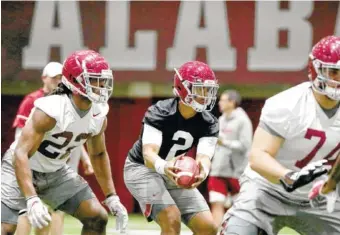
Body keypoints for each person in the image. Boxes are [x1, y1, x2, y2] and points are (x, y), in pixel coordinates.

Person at [220, 35, 340, 235]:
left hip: (316, 197)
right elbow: (258, 156)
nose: (338, 79)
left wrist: (331, 184)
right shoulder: (288, 104)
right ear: (314, 69)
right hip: (268, 189)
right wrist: (289, 177)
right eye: (334, 71)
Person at [1, 50, 128, 235]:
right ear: (75, 81)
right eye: (94, 79)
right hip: (19, 167)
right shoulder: (51, 109)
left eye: (103, 80)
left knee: (97, 217)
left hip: (55, 171)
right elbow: (21, 154)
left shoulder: (99, 112)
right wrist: (32, 199)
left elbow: (98, 154)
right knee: (5, 228)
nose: (101, 85)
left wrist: (111, 197)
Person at [124, 61, 220, 235]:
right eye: (200, 89)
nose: (206, 95)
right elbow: (148, 154)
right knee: (171, 219)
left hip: (174, 171)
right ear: (183, 88)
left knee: (208, 228)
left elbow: (204, 157)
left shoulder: (209, 122)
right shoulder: (160, 112)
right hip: (142, 168)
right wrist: (165, 167)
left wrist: (202, 172)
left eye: (208, 90)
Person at [7, 61, 94, 235]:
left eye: (60, 77)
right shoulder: (34, 100)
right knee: (26, 210)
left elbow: (72, 136)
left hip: (59, 165)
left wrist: (85, 159)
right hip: (34, 164)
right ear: (43, 78)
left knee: (54, 212)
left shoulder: (69, 102)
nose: (57, 81)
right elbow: (21, 139)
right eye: (54, 77)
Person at [207, 90, 253, 227]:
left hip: (236, 171)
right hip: (218, 170)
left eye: (223, 100)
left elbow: (246, 146)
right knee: (216, 202)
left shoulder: (243, 120)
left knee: (238, 207)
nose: (220, 103)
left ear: (232, 102)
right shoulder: (220, 119)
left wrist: (224, 142)